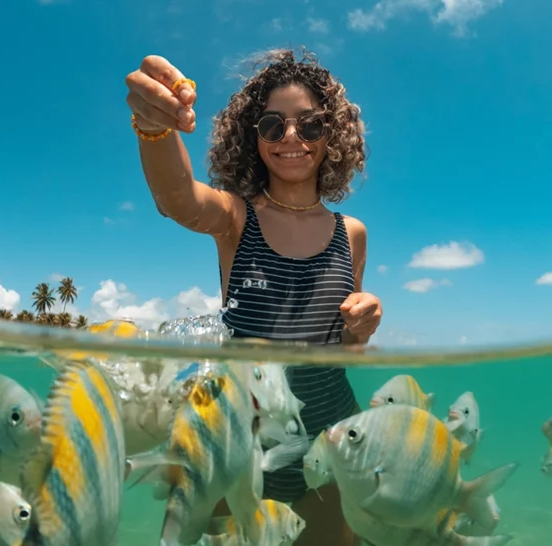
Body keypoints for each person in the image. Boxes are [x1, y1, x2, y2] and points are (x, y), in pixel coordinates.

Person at [125, 48, 382, 545]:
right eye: (272, 125)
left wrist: (359, 327)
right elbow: (177, 198)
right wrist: (156, 127)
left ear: (332, 135)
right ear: (252, 136)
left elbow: (347, 351)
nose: (292, 138)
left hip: (328, 444)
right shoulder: (236, 218)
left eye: (309, 126)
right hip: (233, 444)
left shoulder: (352, 233)